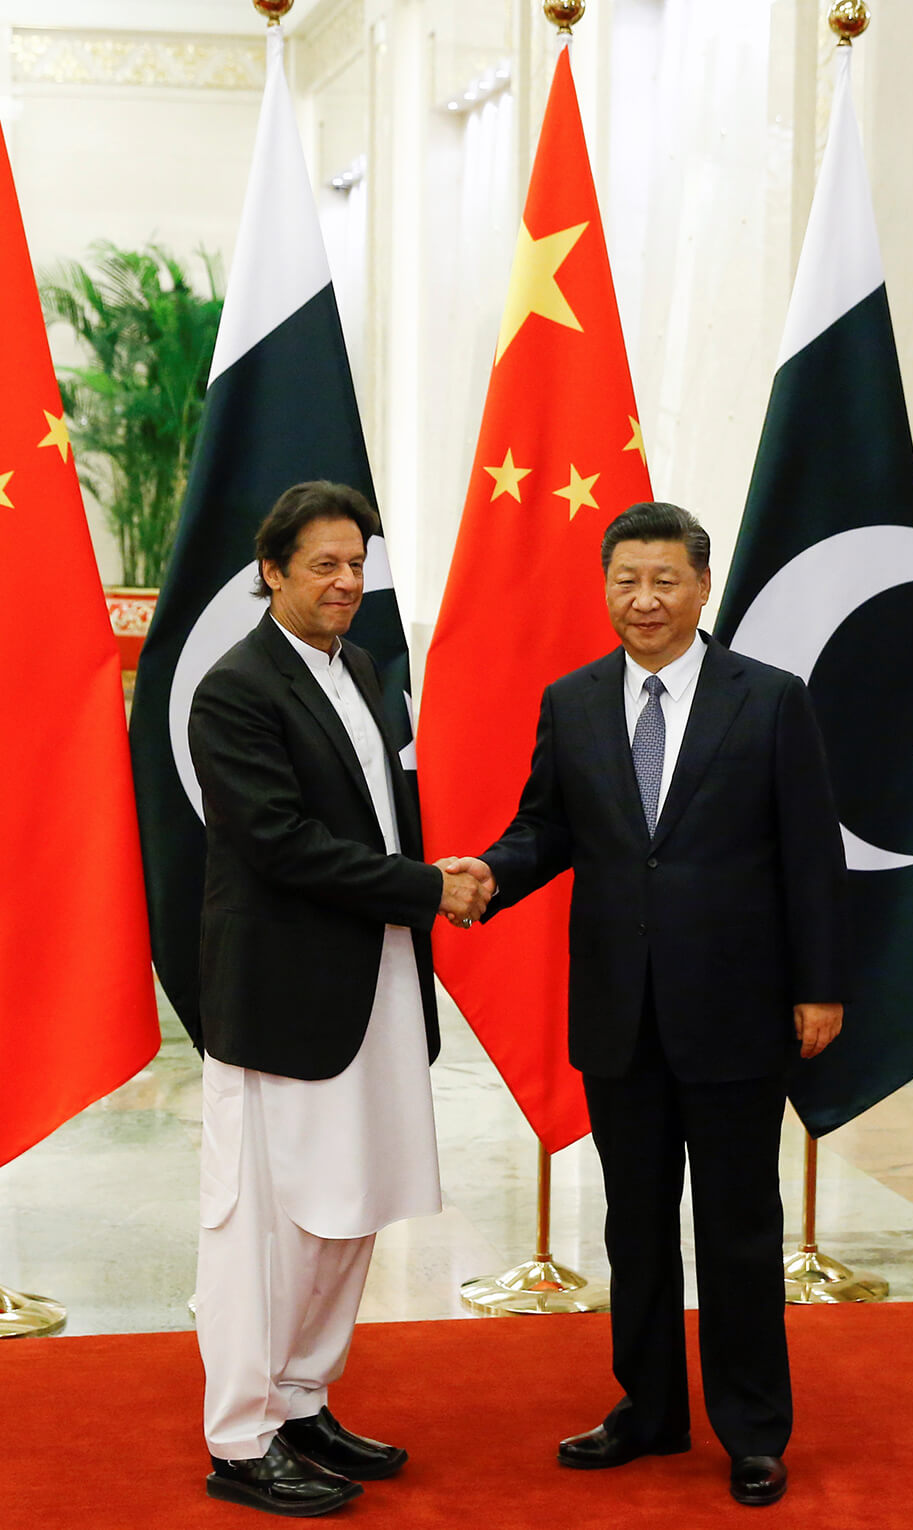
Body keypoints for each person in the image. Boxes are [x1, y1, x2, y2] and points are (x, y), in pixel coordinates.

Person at [448, 501, 846, 1507]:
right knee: (634, 1224)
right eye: (626, 579)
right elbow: (546, 830)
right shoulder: (574, 701)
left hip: (739, 1012)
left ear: (702, 587)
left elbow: (811, 856)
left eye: (664, 580)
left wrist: (820, 985)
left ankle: (754, 1430)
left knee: (739, 1226)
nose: (645, 600)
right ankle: (650, 1410)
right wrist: (484, 877)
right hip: (620, 1015)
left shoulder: (770, 700)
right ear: (606, 585)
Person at [187, 480, 489, 1516]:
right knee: (267, 1228)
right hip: (282, 998)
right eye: (324, 563)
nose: (346, 582)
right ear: (271, 571)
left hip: (374, 979)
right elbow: (277, 845)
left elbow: (370, 823)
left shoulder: (360, 668)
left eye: (357, 563)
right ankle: (240, 1438)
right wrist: (423, 890)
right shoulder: (234, 688)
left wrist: (426, 871)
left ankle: (304, 1398)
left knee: (350, 1207)